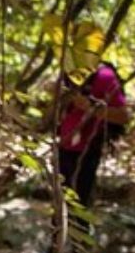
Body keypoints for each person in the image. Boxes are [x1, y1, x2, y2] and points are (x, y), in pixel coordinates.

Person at [55, 60, 129, 236]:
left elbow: (123, 116)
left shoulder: (105, 77)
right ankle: (54, 251)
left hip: (87, 151)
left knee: (80, 205)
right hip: (65, 146)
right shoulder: (69, 71)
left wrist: (91, 107)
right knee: (60, 201)